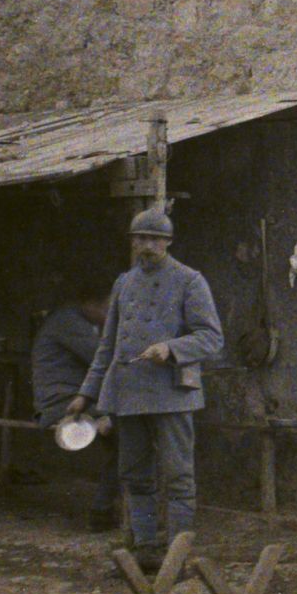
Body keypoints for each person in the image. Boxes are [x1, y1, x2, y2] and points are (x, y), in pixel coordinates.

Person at [66, 209, 224, 573]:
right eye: (141, 238)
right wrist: (85, 394)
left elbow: (212, 337)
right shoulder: (124, 283)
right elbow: (108, 346)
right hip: (130, 393)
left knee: (179, 477)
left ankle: (178, 556)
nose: (147, 245)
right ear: (132, 241)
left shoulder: (190, 281)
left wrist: (171, 349)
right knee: (135, 475)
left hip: (172, 393)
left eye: (155, 239)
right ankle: (146, 550)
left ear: (168, 242)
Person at [32, 286, 120, 532]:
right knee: (129, 436)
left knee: (127, 437)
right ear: (89, 302)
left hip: (78, 399)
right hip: (61, 402)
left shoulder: (79, 320)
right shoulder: (68, 320)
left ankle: (106, 508)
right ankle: (102, 511)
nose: (109, 315)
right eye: (107, 308)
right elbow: (103, 358)